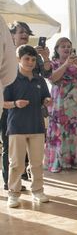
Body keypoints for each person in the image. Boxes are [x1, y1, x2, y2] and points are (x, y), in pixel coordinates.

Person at [2, 21, 51, 190]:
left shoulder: (38, 78)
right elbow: (4, 101)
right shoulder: (9, 73)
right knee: (14, 159)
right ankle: (12, 189)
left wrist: (44, 57)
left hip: (36, 125)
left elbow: (47, 78)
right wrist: (14, 103)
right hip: (14, 124)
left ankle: (37, 190)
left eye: (26, 32)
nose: (30, 61)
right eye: (20, 32)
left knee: (36, 162)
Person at [45, 38, 77, 172]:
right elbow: (53, 78)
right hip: (60, 104)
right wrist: (65, 65)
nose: (66, 49)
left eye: (68, 46)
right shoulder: (53, 63)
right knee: (60, 130)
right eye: (63, 46)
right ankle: (59, 161)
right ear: (57, 49)